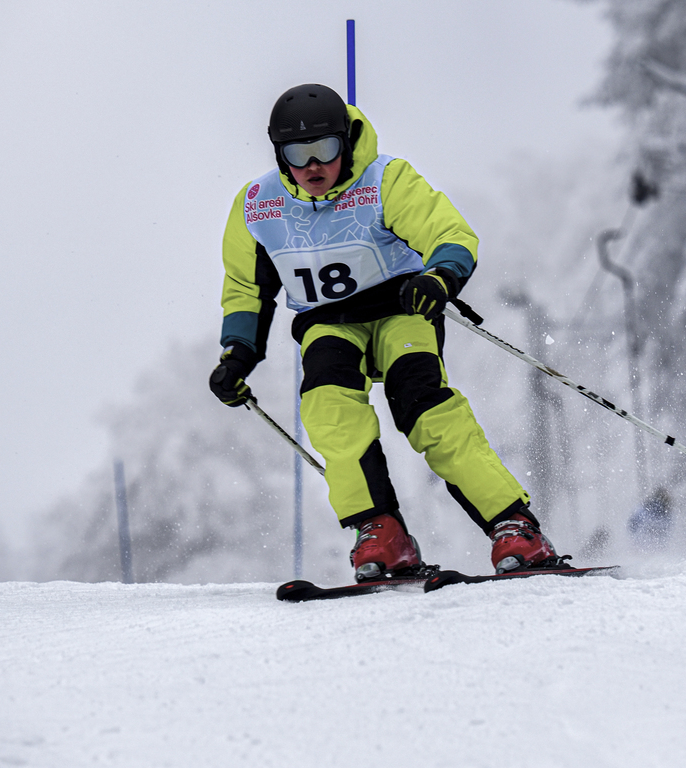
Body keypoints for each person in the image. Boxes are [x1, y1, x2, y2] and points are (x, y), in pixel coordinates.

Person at [208, 83, 559, 581]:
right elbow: (246, 288)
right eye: (298, 154)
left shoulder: (385, 180)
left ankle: (513, 524)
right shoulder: (257, 206)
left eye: (325, 149)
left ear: (346, 141)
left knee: (424, 407)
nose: (313, 166)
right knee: (328, 409)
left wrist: (439, 277)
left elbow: (451, 234)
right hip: (327, 323)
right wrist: (238, 354)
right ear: (279, 154)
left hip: (400, 310)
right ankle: (381, 532)